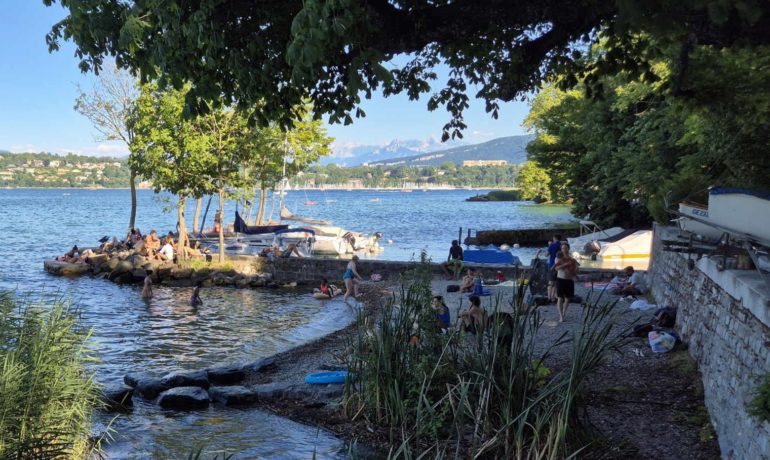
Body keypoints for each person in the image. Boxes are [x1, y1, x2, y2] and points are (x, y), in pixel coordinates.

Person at [552, 243, 579, 322]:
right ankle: (561, 316)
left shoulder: (572, 259)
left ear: (568, 249)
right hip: (560, 279)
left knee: (567, 299)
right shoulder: (558, 258)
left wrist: (576, 270)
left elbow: (576, 270)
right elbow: (556, 268)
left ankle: (564, 313)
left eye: (566, 248)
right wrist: (566, 264)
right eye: (563, 248)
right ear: (561, 249)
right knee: (560, 298)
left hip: (569, 280)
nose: (564, 249)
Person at [546, 234, 562, 302]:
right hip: (560, 266)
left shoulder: (552, 245)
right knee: (556, 283)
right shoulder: (562, 245)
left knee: (550, 283)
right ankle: (553, 297)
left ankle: (549, 297)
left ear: (554, 238)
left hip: (552, 264)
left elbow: (546, 255)